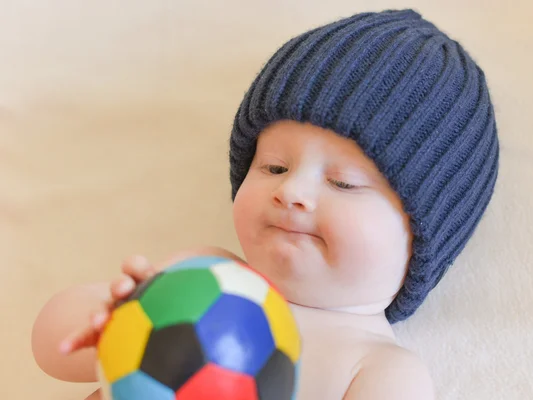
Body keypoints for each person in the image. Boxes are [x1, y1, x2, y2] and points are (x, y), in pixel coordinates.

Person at [31, 9, 499, 400]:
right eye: (274, 167)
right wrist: (112, 321)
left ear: (420, 240)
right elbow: (49, 350)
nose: (292, 191)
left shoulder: (382, 370)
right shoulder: (203, 273)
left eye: (343, 183)